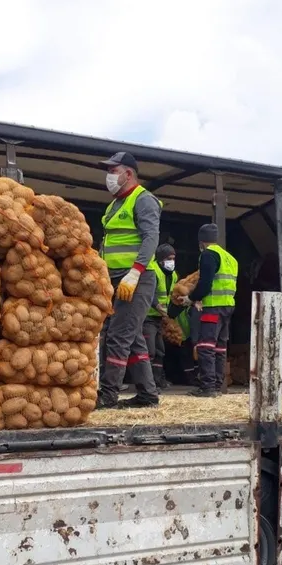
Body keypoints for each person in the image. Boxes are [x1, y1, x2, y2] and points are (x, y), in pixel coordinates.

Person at [97, 151, 161, 409]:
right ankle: (148, 395)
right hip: (115, 279)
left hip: (136, 278)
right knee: (132, 337)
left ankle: (109, 394)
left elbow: (151, 238)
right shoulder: (114, 204)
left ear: (129, 173)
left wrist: (134, 273)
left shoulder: (143, 200)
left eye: (113, 171)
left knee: (118, 336)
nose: (109, 176)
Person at [181, 223, 238, 397]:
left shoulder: (208, 255)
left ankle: (207, 387)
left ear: (201, 241)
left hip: (213, 307)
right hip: (228, 306)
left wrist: (191, 298)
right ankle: (217, 385)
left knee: (205, 346)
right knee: (220, 347)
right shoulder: (230, 258)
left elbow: (205, 283)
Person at [143, 243, 178, 389]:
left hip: (160, 318)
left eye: (174, 258)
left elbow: (172, 295)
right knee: (149, 351)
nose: (172, 262)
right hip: (148, 317)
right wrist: (157, 305)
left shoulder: (173, 275)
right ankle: (147, 383)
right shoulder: (153, 271)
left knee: (160, 351)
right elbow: (148, 292)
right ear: (161, 259)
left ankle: (157, 379)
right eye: (169, 258)